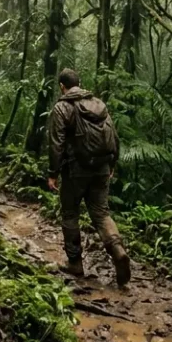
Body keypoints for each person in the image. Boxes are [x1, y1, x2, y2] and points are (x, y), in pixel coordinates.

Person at [45, 68, 131, 288]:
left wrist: (53, 173)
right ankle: (118, 250)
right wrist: (111, 164)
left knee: (70, 213)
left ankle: (75, 263)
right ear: (80, 83)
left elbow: (57, 143)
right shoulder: (99, 104)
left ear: (62, 86)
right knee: (102, 214)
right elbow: (114, 135)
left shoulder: (62, 107)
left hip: (76, 171)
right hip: (102, 167)